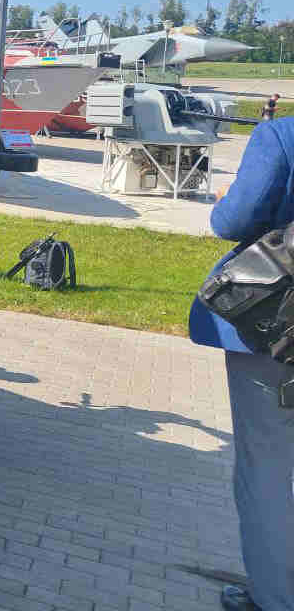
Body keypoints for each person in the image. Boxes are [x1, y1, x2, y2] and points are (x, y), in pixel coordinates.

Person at [188, 116, 294, 611]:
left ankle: (275, 597)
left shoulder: (281, 135)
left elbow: (233, 220)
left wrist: (225, 197)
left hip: (277, 329)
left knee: (266, 466)